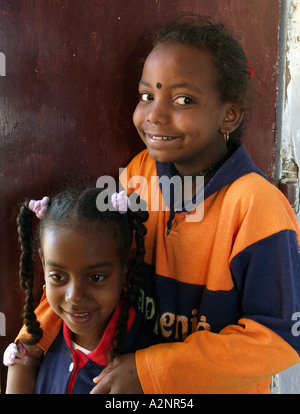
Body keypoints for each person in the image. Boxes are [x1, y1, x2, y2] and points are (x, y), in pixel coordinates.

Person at [5, 15, 300, 394]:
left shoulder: (256, 207)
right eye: (147, 96)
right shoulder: (136, 176)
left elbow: (278, 340)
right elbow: (76, 265)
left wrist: (151, 371)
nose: (155, 115)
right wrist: (31, 343)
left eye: (184, 100)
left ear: (229, 113)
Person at [4, 188, 148, 393]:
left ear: (126, 267)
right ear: (43, 265)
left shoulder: (141, 362)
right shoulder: (43, 336)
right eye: (58, 277)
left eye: (95, 278)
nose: (75, 296)